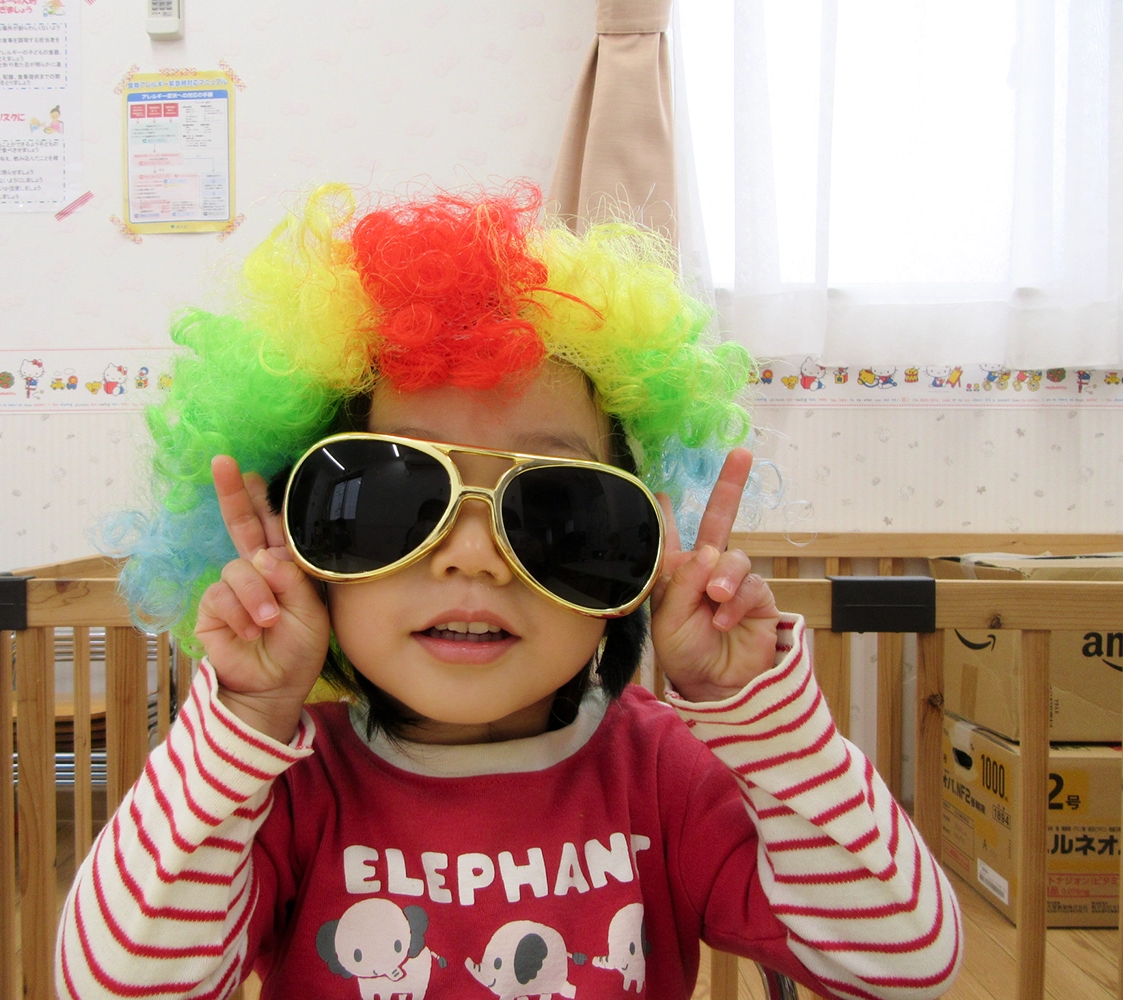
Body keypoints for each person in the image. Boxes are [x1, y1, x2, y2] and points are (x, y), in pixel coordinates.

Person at [57, 184, 962, 1000]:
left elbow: (906, 961)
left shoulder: (662, 777)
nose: (475, 558)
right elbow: (117, 984)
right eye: (392, 498)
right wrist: (244, 720)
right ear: (305, 550)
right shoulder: (290, 790)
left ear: (630, 567)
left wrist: (755, 711)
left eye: (556, 512)